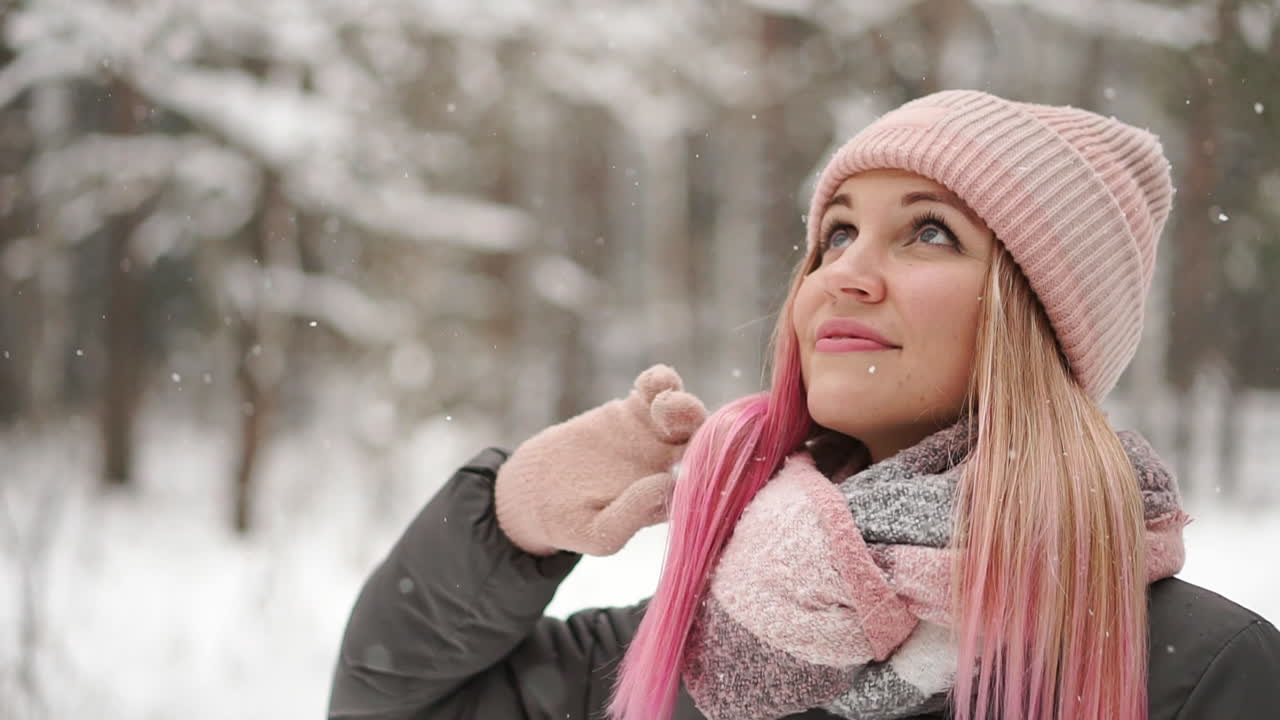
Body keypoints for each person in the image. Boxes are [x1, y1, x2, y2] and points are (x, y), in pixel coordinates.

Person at [327, 90, 1280, 720]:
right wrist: (506, 522)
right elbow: (400, 703)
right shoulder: (700, 647)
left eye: (930, 234)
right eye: (834, 235)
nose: (845, 276)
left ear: (1037, 322)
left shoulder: (1198, 672)